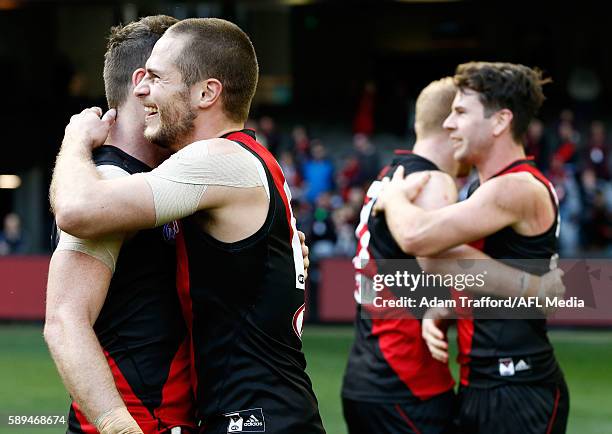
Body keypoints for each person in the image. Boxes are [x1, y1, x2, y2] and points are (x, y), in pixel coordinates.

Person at [50, 18, 324, 434]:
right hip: (242, 416)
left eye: (158, 78)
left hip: (255, 421)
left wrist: (74, 140)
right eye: (144, 79)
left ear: (206, 92)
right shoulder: (224, 168)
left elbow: (76, 208)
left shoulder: (216, 160)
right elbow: (64, 319)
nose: (145, 90)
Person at [342, 77, 565, 434]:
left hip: (381, 373)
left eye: (461, 113)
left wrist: (444, 308)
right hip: (411, 378)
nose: (452, 123)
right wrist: (530, 290)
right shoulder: (443, 182)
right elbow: (436, 259)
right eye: (454, 112)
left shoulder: (393, 177)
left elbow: (426, 257)